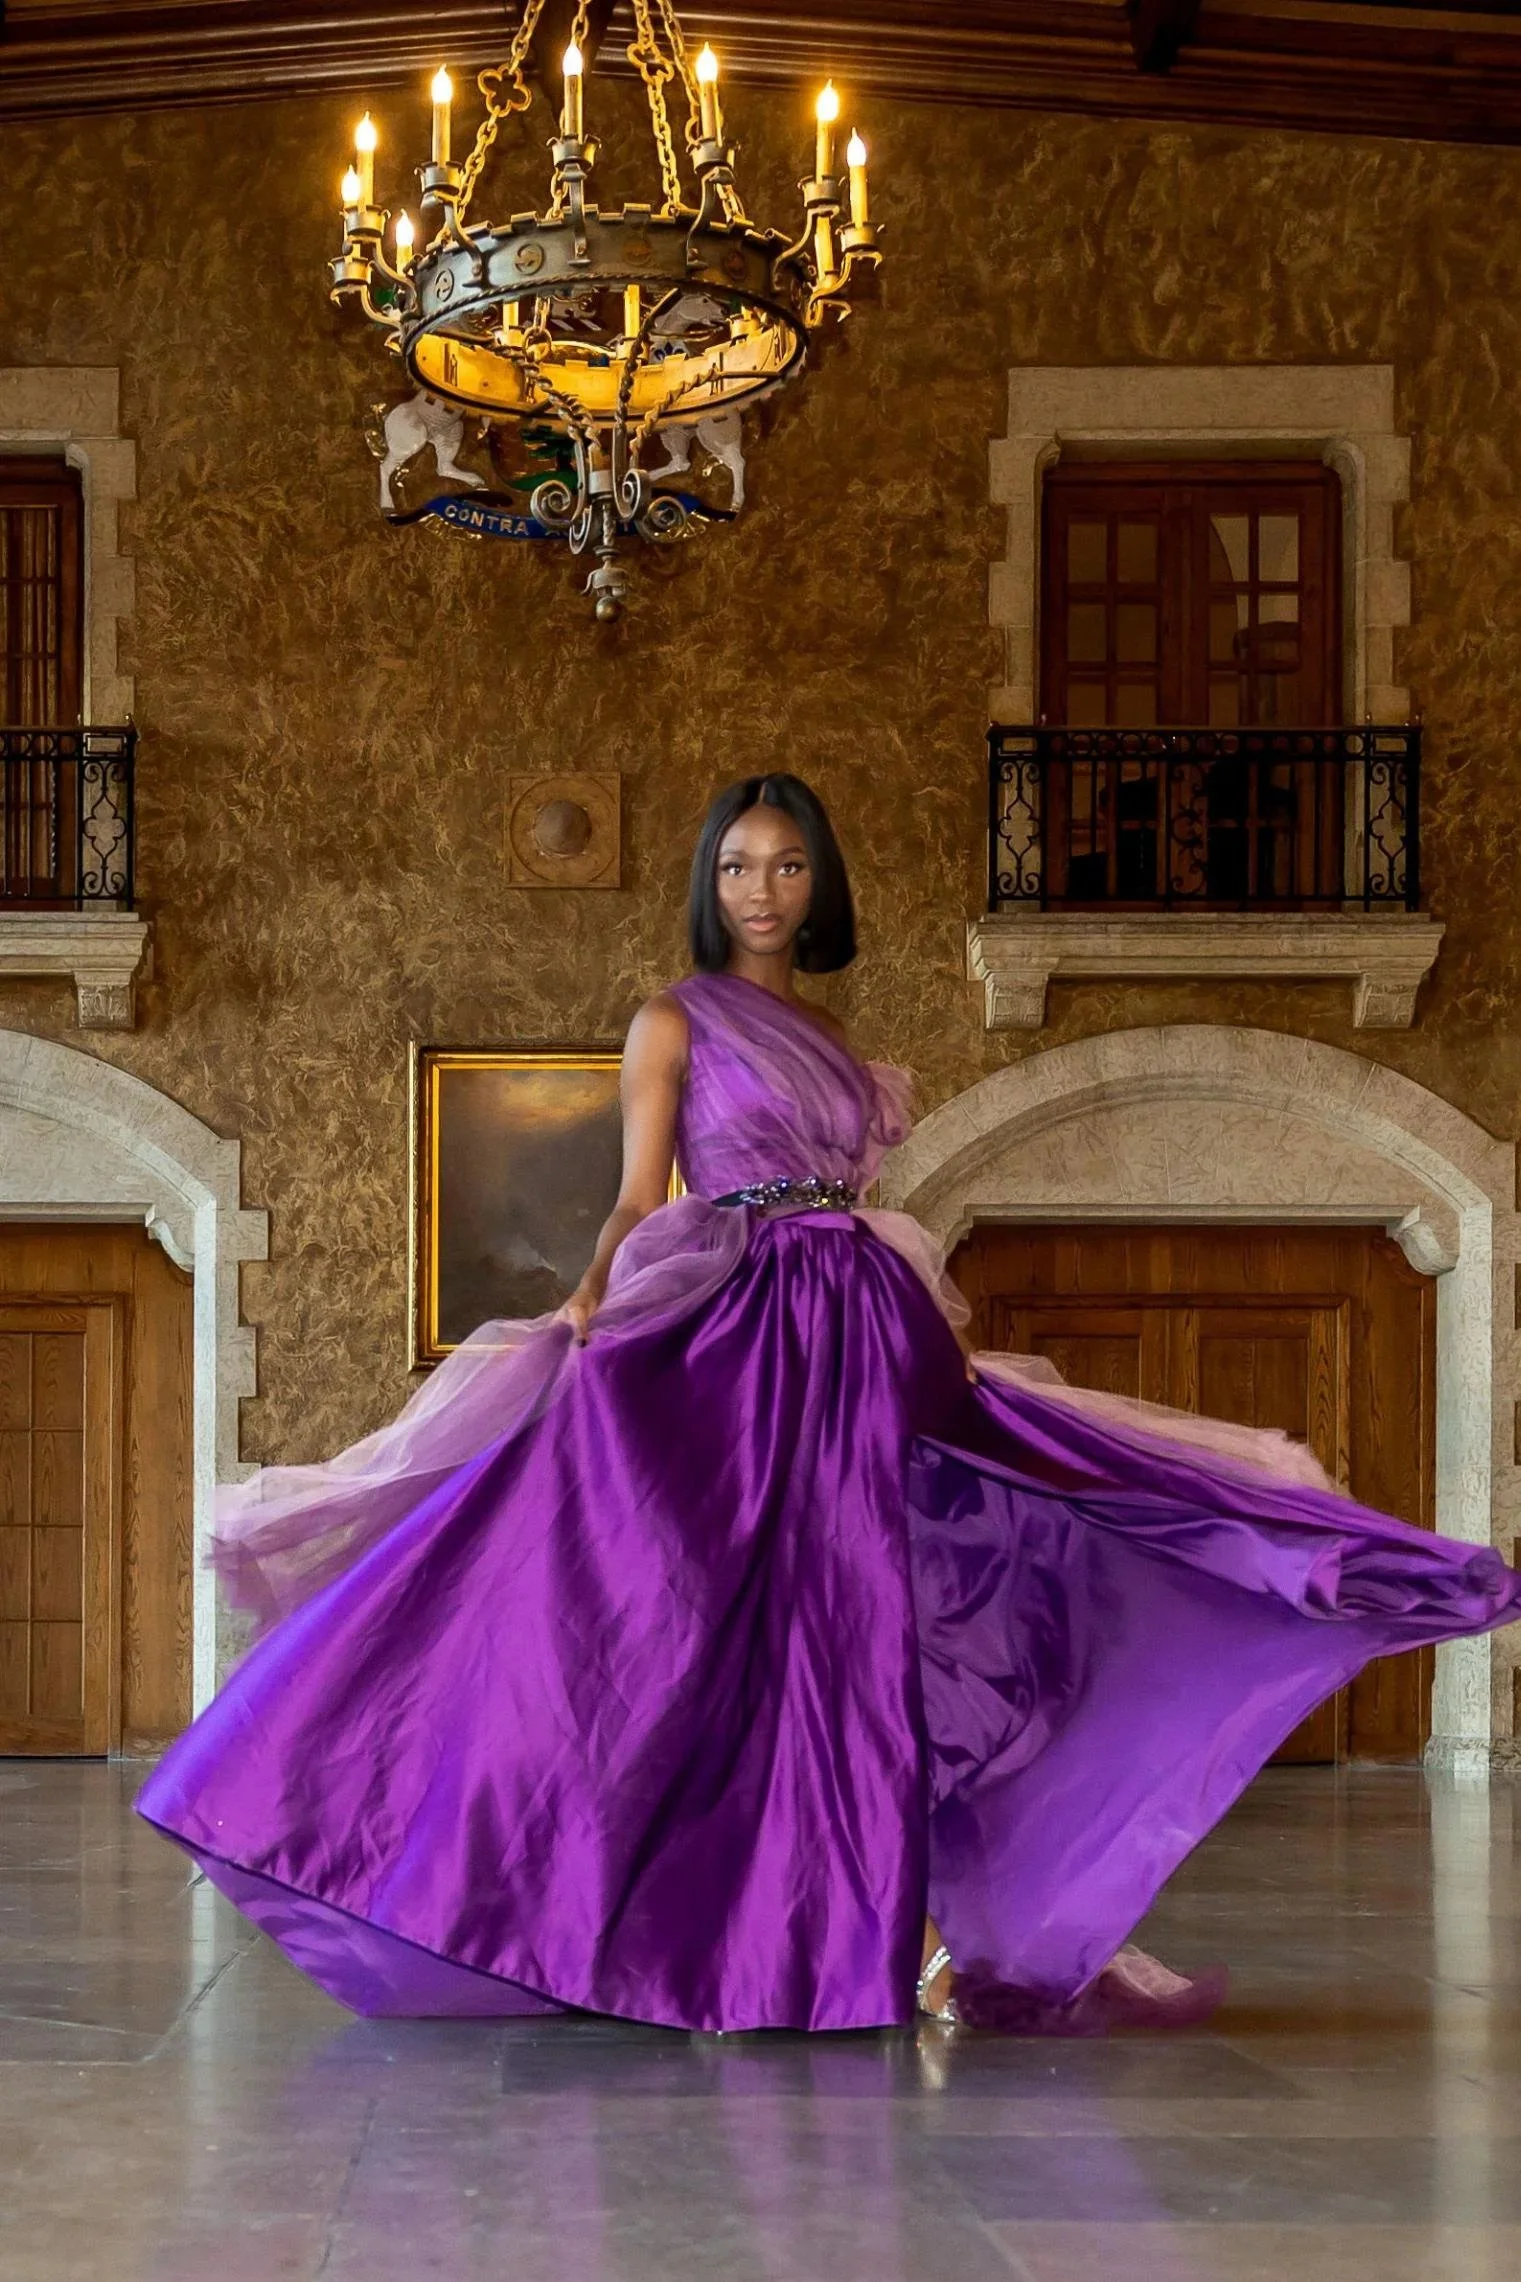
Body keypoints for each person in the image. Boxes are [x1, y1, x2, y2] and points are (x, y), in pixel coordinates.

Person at [137, 774, 1521, 2035]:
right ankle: (644, 1903)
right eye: (738, 865)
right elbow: (639, 1191)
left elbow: (865, 1200)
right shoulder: (671, 1018)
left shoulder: (835, 1037)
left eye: (788, 866)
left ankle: (876, 1931)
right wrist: (588, 1294)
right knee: (684, 1608)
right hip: (742, 1320)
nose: (761, 890)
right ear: (708, 882)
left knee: (874, 1611)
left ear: (819, 885)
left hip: (863, 1314)